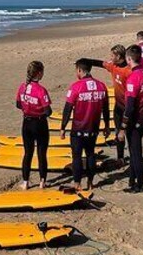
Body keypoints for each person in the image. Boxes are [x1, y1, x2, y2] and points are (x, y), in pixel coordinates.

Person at [60, 59, 110, 191]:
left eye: (76, 70)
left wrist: (63, 127)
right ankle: (90, 182)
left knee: (76, 156)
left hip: (78, 129)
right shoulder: (101, 86)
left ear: (80, 70)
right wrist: (107, 125)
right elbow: (106, 107)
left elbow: (67, 108)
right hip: (93, 128)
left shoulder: (76, 86)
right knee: (90, 154)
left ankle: (77, 183)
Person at [85, 45, 131, 166]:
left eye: (112, 55)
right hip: (118, 107)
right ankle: (120, 158)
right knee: (118, 132)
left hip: (129, 108)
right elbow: (100, 63)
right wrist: (85, 61)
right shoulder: (113, 66)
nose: (110, 58)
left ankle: (135, 156)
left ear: (119, 57)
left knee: (129, 133)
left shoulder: (129, 70)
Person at [120, 45, 143, 193]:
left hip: (136, 119)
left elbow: (130, 105)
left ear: (128, 59)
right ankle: (132, 180)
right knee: (135, 150)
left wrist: (123, 126)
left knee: (135, 153)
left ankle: (140, 184)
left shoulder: (133, 78)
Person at [15, 61, 52, 190]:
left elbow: (18, 104)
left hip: (26, 123)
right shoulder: (41, 90)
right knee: (42, 153)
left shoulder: (22, 87)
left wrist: (28, 109)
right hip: (39, 123)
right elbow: (48, 111)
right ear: (39, 73)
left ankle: (25, 182)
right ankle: (42, 182)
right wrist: (39, 111)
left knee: (28, 153)